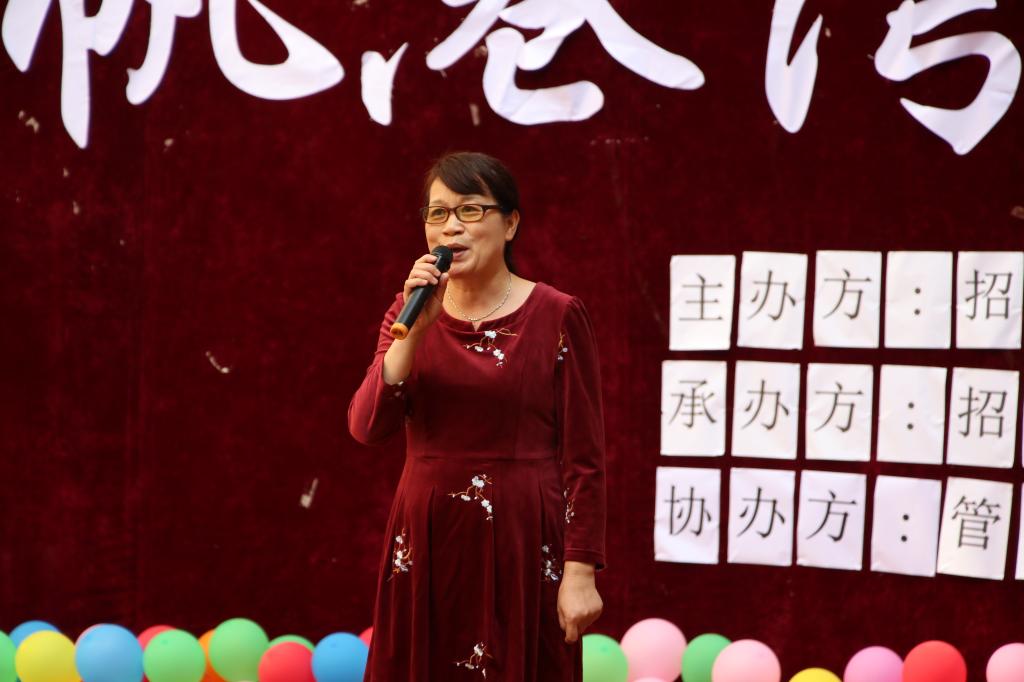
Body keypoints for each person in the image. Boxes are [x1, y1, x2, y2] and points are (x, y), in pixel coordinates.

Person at [348, 151, 606, 681]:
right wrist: (414, 331)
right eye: (437, 213)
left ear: (510, 223)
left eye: (470, 210)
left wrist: (581, 569)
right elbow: (367, 426)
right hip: (427, 538)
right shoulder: (407, 312)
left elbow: (584, 458)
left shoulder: (556, 314)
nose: (451, 227)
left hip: (522, 538)